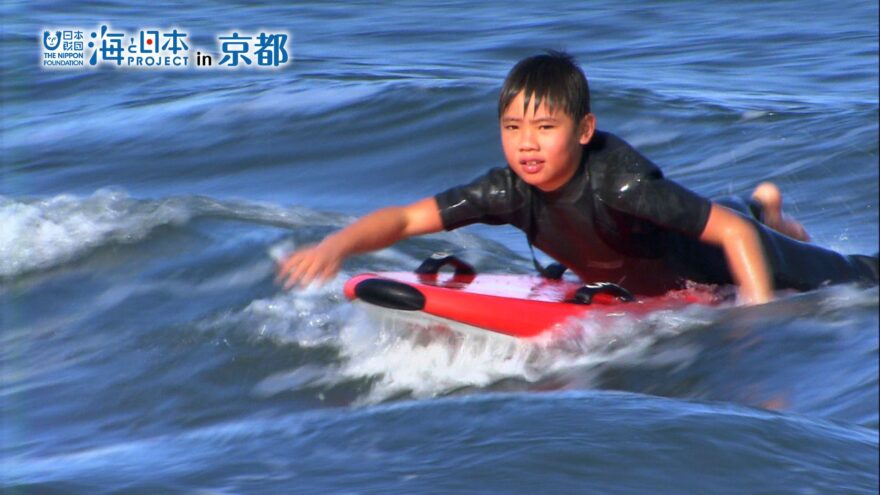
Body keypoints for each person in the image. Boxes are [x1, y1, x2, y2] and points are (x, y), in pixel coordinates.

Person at [276, 51, 878, 304]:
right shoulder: (507, 189)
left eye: (544, 126)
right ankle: (763, 203)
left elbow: (735, 242)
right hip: (669, 241)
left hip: (716, 260)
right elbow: (407, 219)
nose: (526, 143)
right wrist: (336, 245)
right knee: (730, 211)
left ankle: (770, 215)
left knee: (850, 277)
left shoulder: (622, 184)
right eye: (513, 127)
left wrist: (755, 320)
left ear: (584, 129)